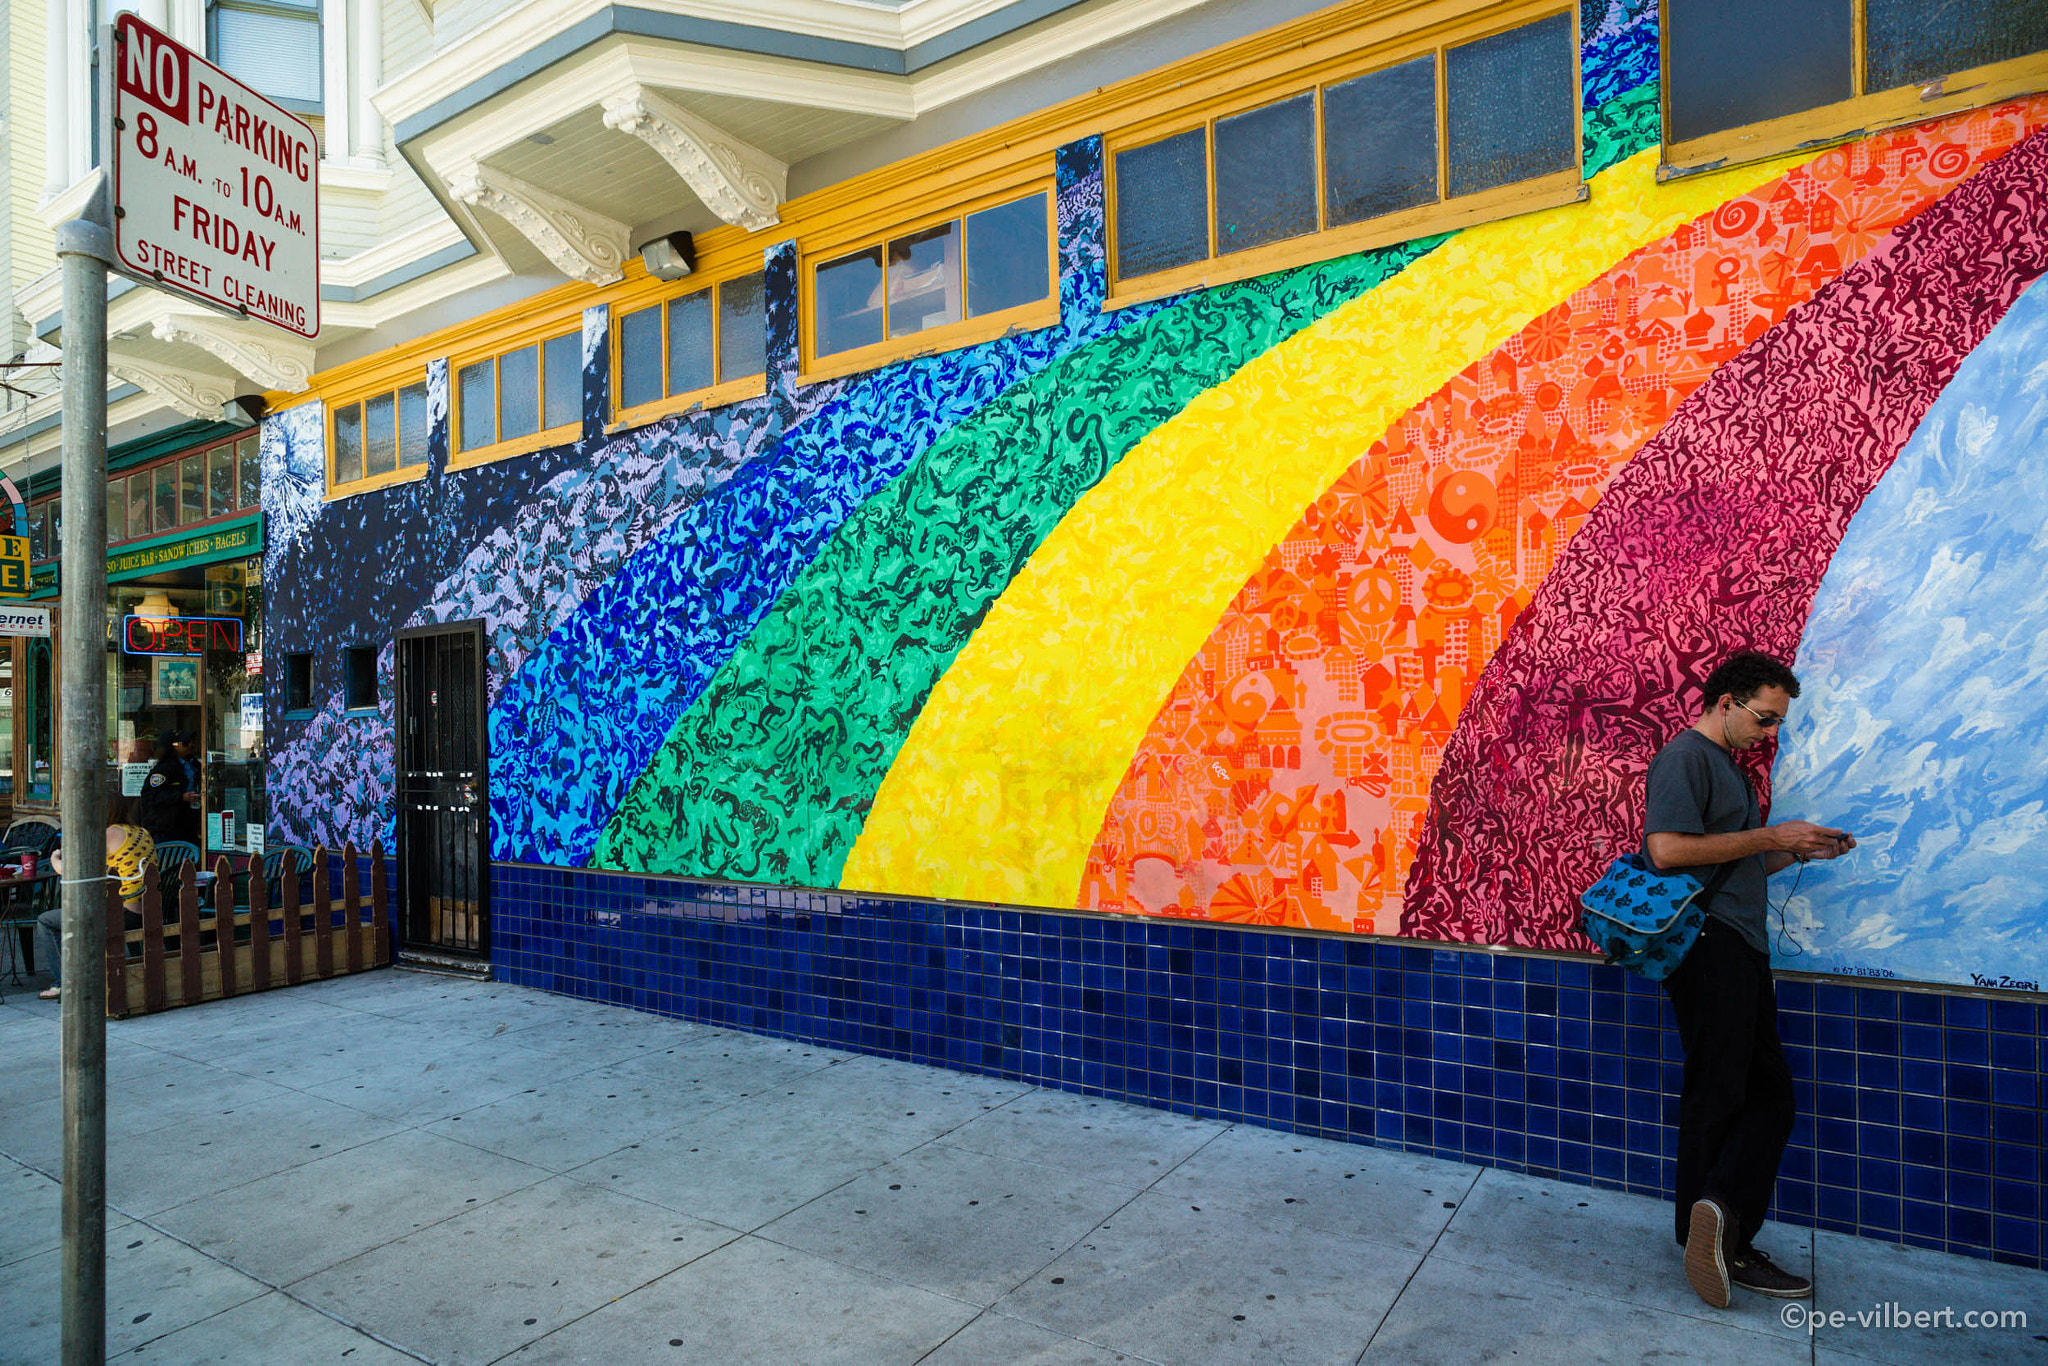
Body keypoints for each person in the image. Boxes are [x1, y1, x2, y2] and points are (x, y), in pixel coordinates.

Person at [1643, 650, 1856, 1309]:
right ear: (1726, 701)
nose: (1770, 733)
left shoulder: (1729, 772)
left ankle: (1710, 1223)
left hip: (1735, 945)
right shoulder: (1686, 758)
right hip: (1710, 949)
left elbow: (1724, 869)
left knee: (1742, 1092)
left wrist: (1791, 850)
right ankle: (1722, 1230)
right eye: (1765, 718)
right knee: (1749, 1093)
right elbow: (1667, 851)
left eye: (1777, 724)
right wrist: (1768, 836)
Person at [34, 794, 155, 1001]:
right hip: (148, 908)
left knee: (46, 921)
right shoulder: (141, 832)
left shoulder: (109, 833)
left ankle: (64, 983)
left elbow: (74, 872)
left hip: (122, 914)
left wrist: (54, 859)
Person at [135, 733, 198, 846]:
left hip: (189, 823)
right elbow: (151, 796)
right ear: (173, 747)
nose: (190, 745)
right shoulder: (164, 769)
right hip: (167, 828)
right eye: (185, 743)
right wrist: (180, 797)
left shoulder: (194, 764)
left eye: (191, 742)